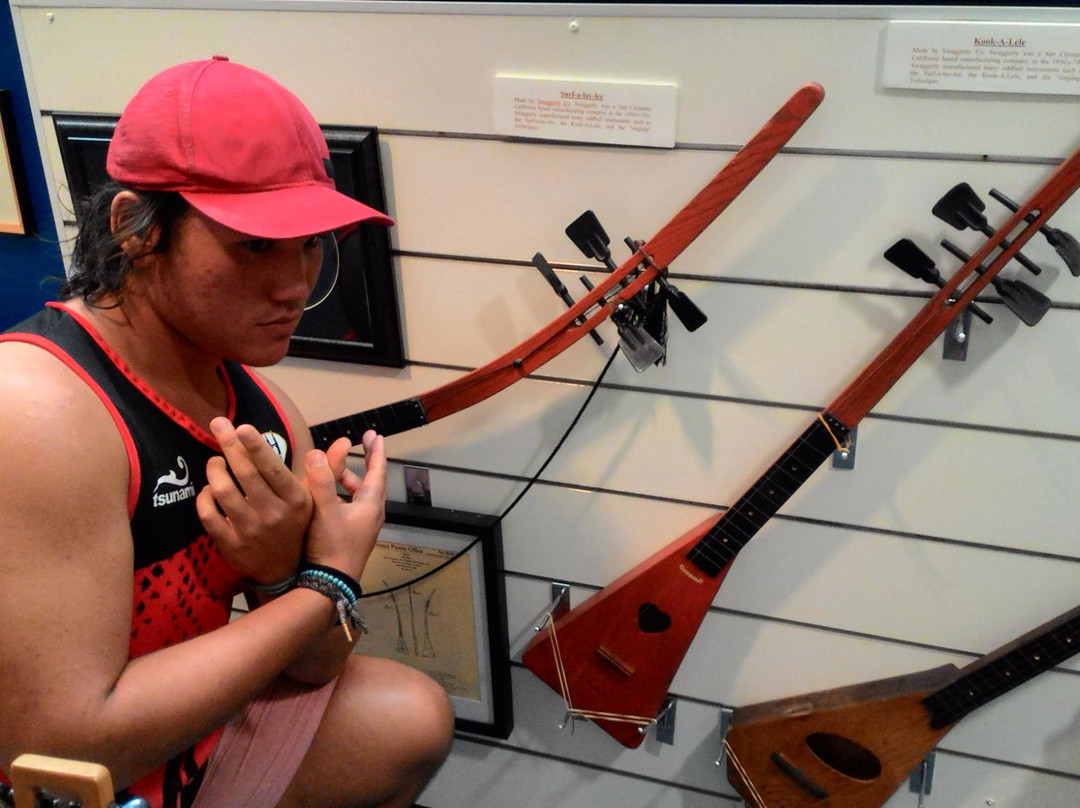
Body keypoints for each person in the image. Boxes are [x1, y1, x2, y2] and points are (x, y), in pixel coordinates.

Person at [0, 56, 454, 808]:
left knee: (407, 719)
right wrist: (327, 579)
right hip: (76, 779)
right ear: (135, 229)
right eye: (254, 245)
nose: (295, 286)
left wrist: (278, 575)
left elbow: (319, 664)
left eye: (310, 243)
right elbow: (58, 755)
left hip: (180, 743)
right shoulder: (37, 409)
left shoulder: (262, 407)